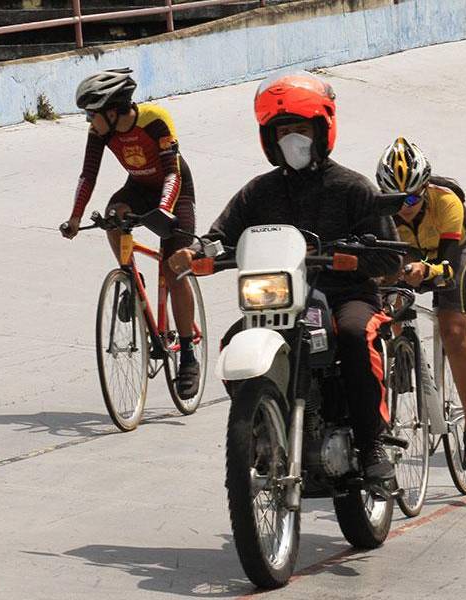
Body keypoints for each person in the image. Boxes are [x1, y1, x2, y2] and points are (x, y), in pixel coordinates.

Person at [167, 71, 401, 485]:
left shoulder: (352, 187)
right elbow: (222, 235)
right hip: (282, 299)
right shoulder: (259, 192)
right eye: (284, 130)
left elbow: (388, 257)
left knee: (352, 335)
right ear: (270, 139)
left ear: (322, 130)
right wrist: (196, 252)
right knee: (233, 338)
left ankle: (370, 445)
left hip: (346, 295)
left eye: (302, 128)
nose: (293, 138)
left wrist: (355, 261)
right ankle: (260, 430)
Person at [61, 68, 200, 398]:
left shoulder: (155, 120)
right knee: (112, 216)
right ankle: (129, 279)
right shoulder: (101, 132)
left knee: (173, 267)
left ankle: (188, 357)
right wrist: (75, 217)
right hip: (138, 188)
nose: (88, 121)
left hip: (175, 190)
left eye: (91, 115)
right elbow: (88, 175)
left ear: (112, 111)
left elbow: (172, 173)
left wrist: (165, 209)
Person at [376, 137, 466, 471]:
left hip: (454, 252)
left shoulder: (447, 202)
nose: (405, 206)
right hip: (407, 255)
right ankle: (400, 353)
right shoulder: (377, 211)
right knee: (386, 308)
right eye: (396, 199)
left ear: (425, 188)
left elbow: (450, 268)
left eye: (412, 197)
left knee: (453, 330)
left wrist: (429, 270)